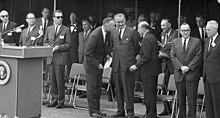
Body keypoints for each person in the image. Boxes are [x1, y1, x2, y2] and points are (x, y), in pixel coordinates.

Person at [84, 17, 115, 117]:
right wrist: (97, 64)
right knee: (92, 88)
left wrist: (108, 54)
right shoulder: (95, 35)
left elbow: (105, 47)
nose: (114, 27)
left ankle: (97, 110)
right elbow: (88, 53)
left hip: (100, 65)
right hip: (92, 66)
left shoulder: (107, 33)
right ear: (106, 25)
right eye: (112, 26)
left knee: (97, 89)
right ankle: (92, 111)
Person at [111, 13, 140, 117]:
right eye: (118, 22)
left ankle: (130, 111)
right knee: (118, 89)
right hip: (116, 65)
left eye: (122, 22)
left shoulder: (132, 32)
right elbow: (112, 47)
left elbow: (137, 48)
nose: (120, 24)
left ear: (125, 21)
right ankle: (120, 110)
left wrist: (132, 61)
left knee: (128, 90)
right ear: (115, 22)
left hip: (128, 66)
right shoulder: (113, 33)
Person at [170, 23, 202, 118]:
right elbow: (173, 56)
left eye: (187, 30)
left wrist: (188, 67)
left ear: (190, 31)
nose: (185, 32)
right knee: (181, 99)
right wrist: (181, 67)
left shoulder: (196, 41)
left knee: (192, 100)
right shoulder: (175, 42)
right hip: (179, 75)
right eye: (183, 30)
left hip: (191, 74)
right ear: (180, 31)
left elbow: (198, 56)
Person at [129, 21, 160, 118]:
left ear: (143, 28)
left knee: (149, 94)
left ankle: (150, 114)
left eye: (138, 29)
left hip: (148, 70)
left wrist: (136, 65)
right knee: (150, 93)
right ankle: (150, 113)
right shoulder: (152, 37)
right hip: (152, 70)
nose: (138, 31)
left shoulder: (147, 39)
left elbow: (146, 56)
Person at [44, 10, 71, 109]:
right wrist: (48, 46)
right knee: (52, 80)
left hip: (60, 57)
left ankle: (61, 101)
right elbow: (45, 41)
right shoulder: (49, 28)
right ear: (53, 18)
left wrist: (58, 47)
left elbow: (68, 44)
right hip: (51, 57)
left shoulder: (66, 29)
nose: (60, 19)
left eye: (61, 17)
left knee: (60, 80)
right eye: (58, 17)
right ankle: (54, 99)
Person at [158, 18, 178, 116]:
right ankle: (166, 109)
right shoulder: (162, 34)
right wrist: (163, 49)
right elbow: (164, 47)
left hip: (172, 63)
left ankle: (175, 110)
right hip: (164, 64)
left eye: (164, 25)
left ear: (169, 25)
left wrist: (164, 47)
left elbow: (173, 47)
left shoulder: (175, 34)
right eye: (161, 25)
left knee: (173, 87)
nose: (162, 27)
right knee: (164, 86)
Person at [203, 20, 220, 118]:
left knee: (217, 104)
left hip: (216, 77)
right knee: (208, 104)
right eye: (206, 29)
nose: (207, 31)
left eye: (209, 30)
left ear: (215, 29)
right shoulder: (206, 41)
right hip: (207, 77)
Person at [77, 19, 92, 98]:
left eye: (86, 24)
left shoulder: (93, 34)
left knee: (88, 74)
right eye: (83, 25)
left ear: (90, 25)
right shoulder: (80, 34)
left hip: (88, 56)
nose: (84, 26)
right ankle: (83, 91)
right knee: (81, 73)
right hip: (81, 56)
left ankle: (87, 91)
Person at [66, 12, 83, 81]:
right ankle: (68, 84)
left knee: (75, 69)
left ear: (77, 18)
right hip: (67, 52)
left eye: (74, 17)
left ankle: (75, 84)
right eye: (71, 17)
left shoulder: (80, 28)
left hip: (75, 52)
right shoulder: (66, 27)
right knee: (68, 69)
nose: (72, 18)